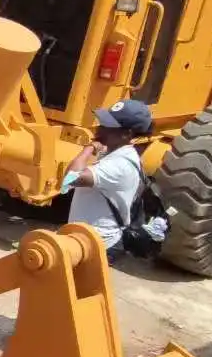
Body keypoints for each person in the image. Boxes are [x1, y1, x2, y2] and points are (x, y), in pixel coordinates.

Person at [61, 99, 153, 254]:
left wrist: (89, 147)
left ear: (127, 134)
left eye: (107, 127)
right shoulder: (118, 154)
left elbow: (70, 178)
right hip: (88, 241)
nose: (99, 128)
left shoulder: (119, 165)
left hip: (97, 245)